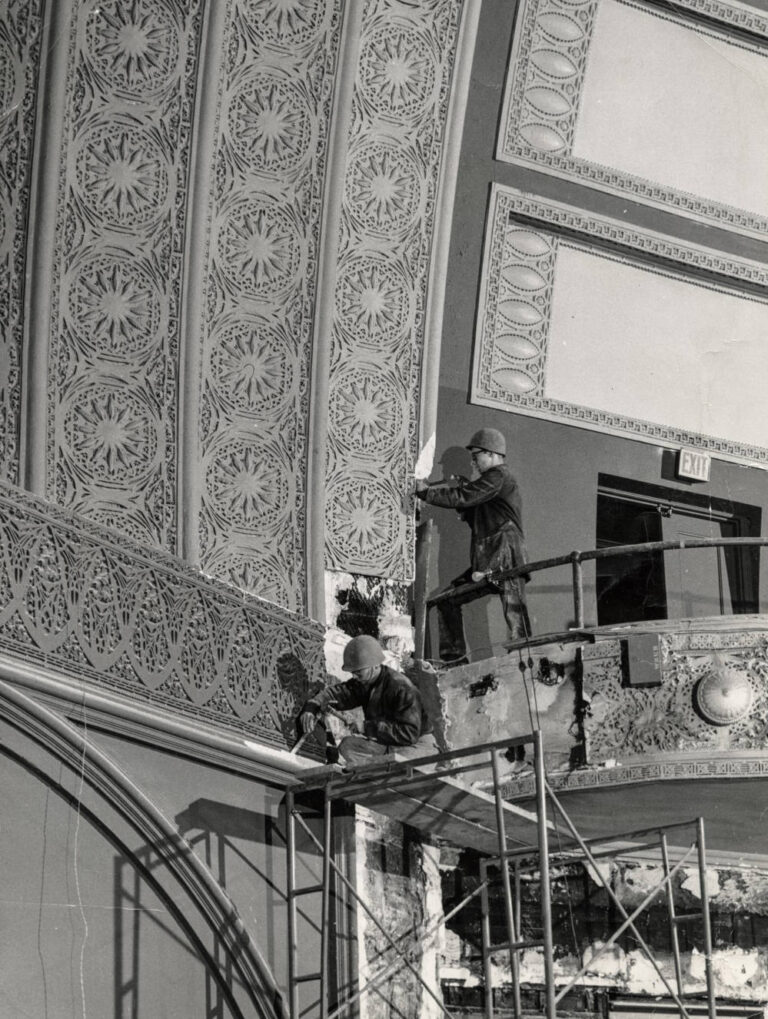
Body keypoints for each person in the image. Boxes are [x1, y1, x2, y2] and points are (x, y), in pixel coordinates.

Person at [415, 427, 531, 662]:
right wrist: (461, 492)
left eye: (476, 456)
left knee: (515, 615)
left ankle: (526, 661)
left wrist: (426, 493)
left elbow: (465, 497)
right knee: (447, 600)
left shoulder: (499, 476)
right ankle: (454, 661)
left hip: (505, 555)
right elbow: (469, 505)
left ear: (491, 453)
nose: (474, 462)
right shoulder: (491, 484)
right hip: (488, 559)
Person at [297, 635, 437, 765]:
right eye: (353, 673)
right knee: (347, 746)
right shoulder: (364, 682)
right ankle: (379, 769)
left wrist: (366, 727)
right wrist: (312, 707)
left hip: (416, 745)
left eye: (358, 672)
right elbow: (336, 694)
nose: (355, 676)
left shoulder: (401, 687)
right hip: (388, 745)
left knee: (395, 765)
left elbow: (409, 733)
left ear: (375, 665)